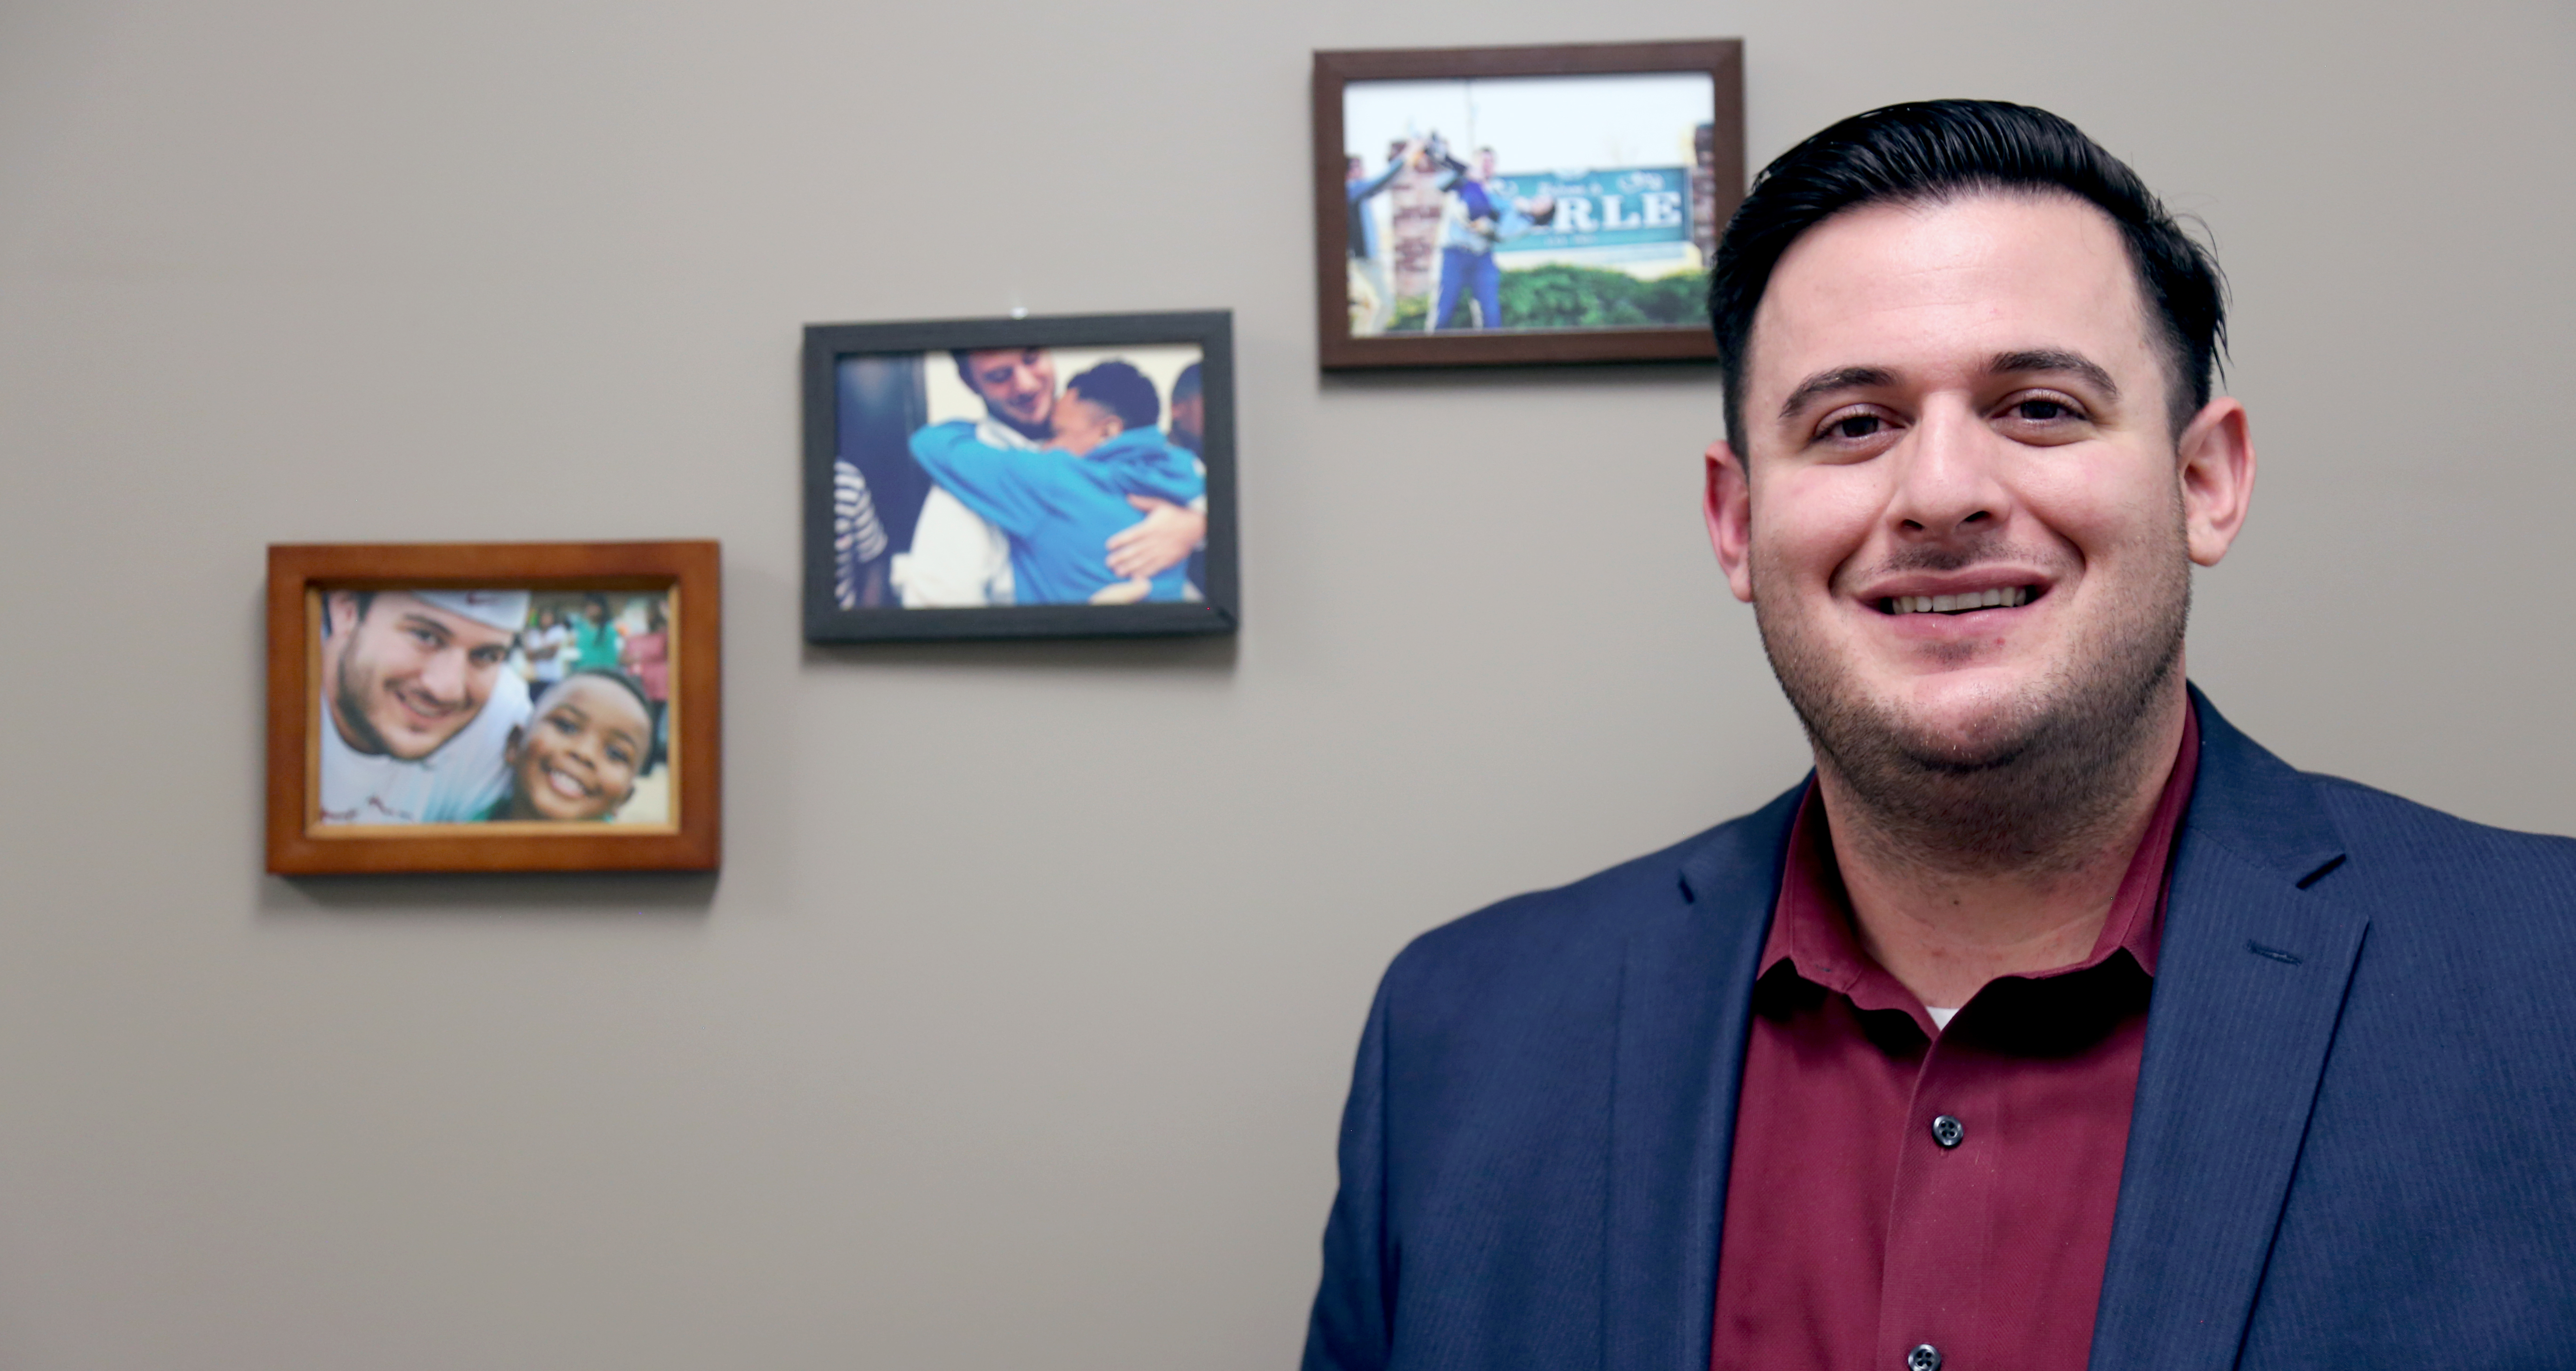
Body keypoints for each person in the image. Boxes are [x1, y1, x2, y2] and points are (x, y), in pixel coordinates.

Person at [1303, 100, 2576, 1371]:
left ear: (2206, 483)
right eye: (1854, 425)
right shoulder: (1462, 1041)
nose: (1942, 494)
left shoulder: (2548, 989)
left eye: (2038, 407)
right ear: (1738, 523)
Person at [895, 347, 1206, 606]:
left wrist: (1200, 522)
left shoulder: (1051, 476)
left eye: (1032, 359)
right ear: (969, 382)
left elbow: (929, 442)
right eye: (1000, 376)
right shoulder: (1180, 467)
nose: (1027, 385)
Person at [315, 589, 531, 824]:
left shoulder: (500, 723)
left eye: (487, 655)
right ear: (347, 612)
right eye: (425, 636)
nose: (448, 690)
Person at [483, 669, 652, 822]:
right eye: (566, 726)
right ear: (516, 743)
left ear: (624, 798)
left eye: (615, 753)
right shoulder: (463, 820)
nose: (584, 753)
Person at [1429, 147, 1555, 331]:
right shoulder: (1462, 180)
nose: (1486, 166)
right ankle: (1430, 357)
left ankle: (1491, 357)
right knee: (1442, 313)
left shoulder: (1499, 194)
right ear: (1474, 164)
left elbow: (1501, 230)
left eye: (1490, 162)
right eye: (1483, 161)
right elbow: (1438, 184)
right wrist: (1462, 174)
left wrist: (1487, 226)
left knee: (1490, 316)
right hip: (1453, 253)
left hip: (1482, 256)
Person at [1347, 138, 1425, 334]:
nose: (1362, 170)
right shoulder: (1351, 190)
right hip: (1363, 261)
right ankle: (1365, 350)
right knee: (1384, 305)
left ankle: (1360, 347)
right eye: (1357, 167)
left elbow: (1385, 183)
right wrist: (1406, 156)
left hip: (1368, 260)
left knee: (1370, 309)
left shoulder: (1359, 192)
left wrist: (1408, 162)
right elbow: (1381, 180)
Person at [618, 600, 670, 774]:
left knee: (652, 725)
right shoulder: (632, 638)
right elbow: (622, 659)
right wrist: (634, 660)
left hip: (657, 686)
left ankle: (646, 766)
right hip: (636, 684)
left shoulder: (664, 635)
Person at [520, 604, 572, 693]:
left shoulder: (558, 631)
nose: (546, 620)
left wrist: (537, 653)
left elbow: (552, 654)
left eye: (549, 617)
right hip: (535, 678)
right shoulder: (534, 633)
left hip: (553, 678)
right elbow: (529, 656)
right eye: (544, 617)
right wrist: (546, 649)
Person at [569, 594, 621, 673]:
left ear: (602, 608)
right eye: (588, 606)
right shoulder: (580, 630)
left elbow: (612, 658)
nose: (590, 609)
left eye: (594, 606)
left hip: (603, 676)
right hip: (582, 675)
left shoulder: (609, 630)